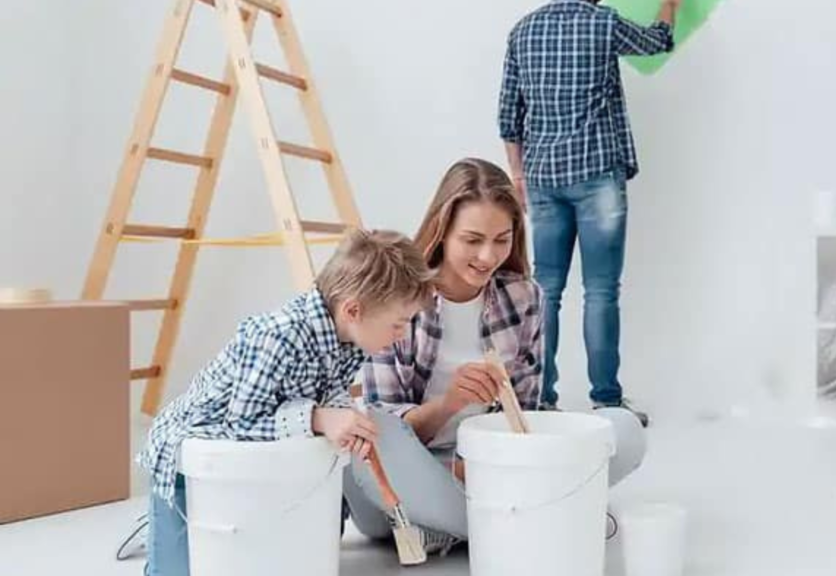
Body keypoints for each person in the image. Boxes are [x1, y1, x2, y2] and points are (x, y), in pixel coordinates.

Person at [345, 157, 646, 554]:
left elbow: (526, 415)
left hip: (488, 469)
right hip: (413, 470)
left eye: (501, 240)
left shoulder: (524, 298)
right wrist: (449, 403)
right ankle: (530, 519)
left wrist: (491, 463)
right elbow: (386, 423)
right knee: (373, 436)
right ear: (442, 231)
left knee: (622, 430)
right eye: (472, 240)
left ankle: (458, 528)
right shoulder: (395, 297)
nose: (488, 256)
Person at [136, 229, 434, 576]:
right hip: (191, 454)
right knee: (176, 568)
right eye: (398, 324)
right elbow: (241, 424)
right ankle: (155, 532)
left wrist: (341, 414)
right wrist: (320, 419)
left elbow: (328, 389)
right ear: (353, 309)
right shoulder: (279, 337)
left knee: (284, 545)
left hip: (256, 459)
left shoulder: (352, 340)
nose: (403, 334)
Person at [498, 0, 682, 426]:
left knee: (545, 290)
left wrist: (518, 176)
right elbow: (658, 41)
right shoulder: (602, 23)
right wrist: (669, 5)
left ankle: (540, 397)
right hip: (597, 172)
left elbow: (509, 118)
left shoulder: (523, 30)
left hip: (542, 175)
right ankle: (607, 400)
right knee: (601, 291)